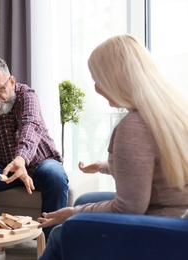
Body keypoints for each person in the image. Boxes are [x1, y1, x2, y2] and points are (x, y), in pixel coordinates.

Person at [37, 34, 188, 260]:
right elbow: (155, 168)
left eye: (97, 78)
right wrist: (103, 166)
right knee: (82, 202)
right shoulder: (170, 111)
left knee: (63, 232)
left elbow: (128, 208)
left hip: (164, 230)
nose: (96, 87)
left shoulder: (135, 126)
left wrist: (74, 214)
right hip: (178, 218)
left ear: (115, 79)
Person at [0, 57, 68, 259]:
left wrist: (21, 159)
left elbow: (30, 127)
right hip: (2, 167)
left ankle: (52, 246)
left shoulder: (28, 96)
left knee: (55, 175)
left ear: (12, 82)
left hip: (39, 162)